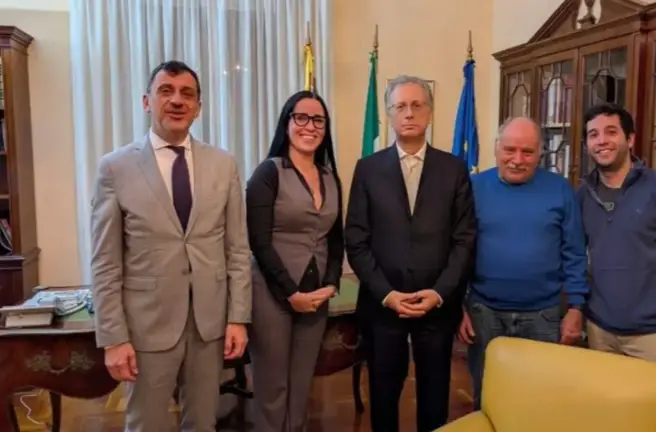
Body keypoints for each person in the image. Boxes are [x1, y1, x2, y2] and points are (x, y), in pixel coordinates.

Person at [90, 60, 252, 431]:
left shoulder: (223, 164)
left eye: (187, 94)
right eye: (166, 91)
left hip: (209, 325)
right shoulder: (115, 168)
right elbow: (105, 262)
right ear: (147, 101)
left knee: (203, 423)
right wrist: (113, 338)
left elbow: (237, 250)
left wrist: (238, 318)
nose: (177, 101)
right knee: (145, 424)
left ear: (198, 107)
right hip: (147, 326)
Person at [345, 74, 476, 432]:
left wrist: (440, 292)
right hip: (383, 305)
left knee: (435, 395)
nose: (409, 113)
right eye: (400, 106)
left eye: (417, 105)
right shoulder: (368, 169)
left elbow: (465, 239)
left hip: (437, 305)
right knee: (383, 394)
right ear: (388, 114)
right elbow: (356, 239)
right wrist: (386, 294)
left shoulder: (453, 169)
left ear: (430, 112)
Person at [457, 117, 589, 409]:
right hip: (484, 314)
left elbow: (575, 252)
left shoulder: (560, 190)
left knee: (539, 403)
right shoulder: (472, 188)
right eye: (510, 150)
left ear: (540, 153)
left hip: (544, 316)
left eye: (527, 152)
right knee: (488, 398)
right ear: (496, 148)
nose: (517, 160)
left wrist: (576, 308)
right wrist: (458, 306)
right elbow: (457, 252)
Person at [577, 102, 656, 367]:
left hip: (654, 335)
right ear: (587, 144)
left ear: (630, 139)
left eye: (611, 132)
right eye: (593, 134)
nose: (602, 141)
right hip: (599, 330)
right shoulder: (582, 195)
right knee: (603, 395)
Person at [245, 90, 344, 431]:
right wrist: (290, 292)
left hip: (315, 296)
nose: (310, 126)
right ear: (286, 123)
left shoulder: (330, 177)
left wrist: (331, 283)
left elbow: (335, 237)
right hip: (271, 294)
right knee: (273, 389)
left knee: (301, 387)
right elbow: (258, 241)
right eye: (301, 117)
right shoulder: (268, 173)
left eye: (318, 120)